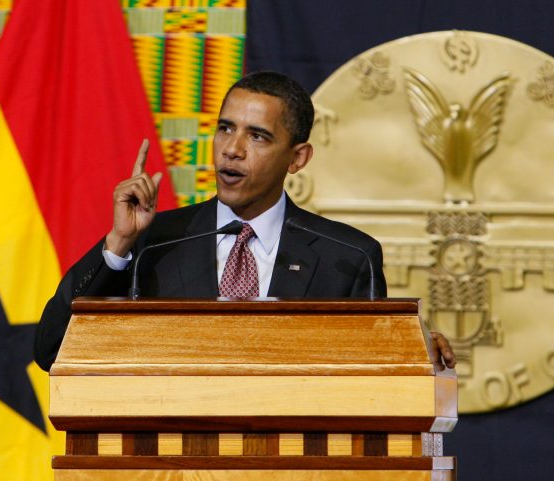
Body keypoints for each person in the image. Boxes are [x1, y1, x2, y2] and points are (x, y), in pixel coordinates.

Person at [34, 71, 455, 372]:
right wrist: (118, 245)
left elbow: (371, 377)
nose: (232, 150)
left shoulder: (345, 257)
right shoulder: (154, 243)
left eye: (257, 136)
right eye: (224, 129)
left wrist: (415, 357)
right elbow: (52, 350)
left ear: (297, 158)